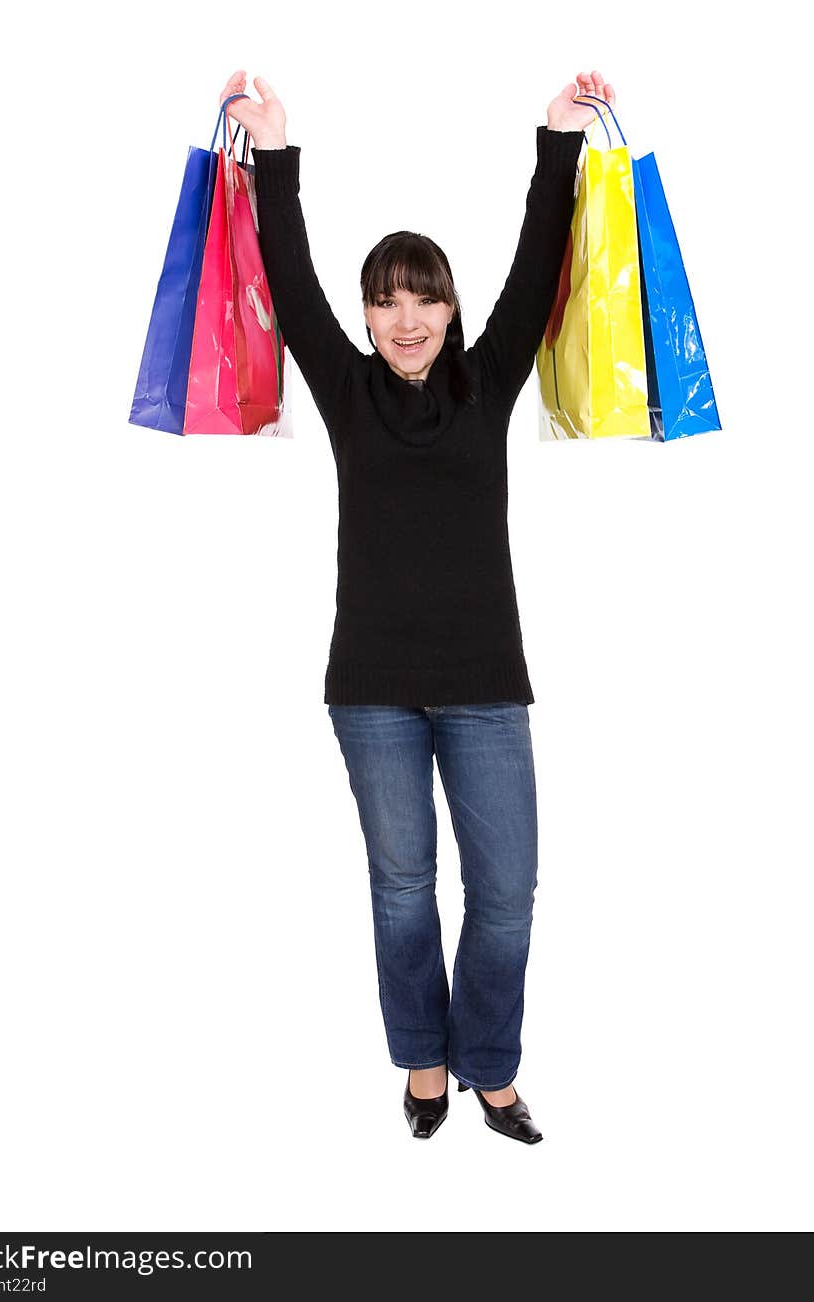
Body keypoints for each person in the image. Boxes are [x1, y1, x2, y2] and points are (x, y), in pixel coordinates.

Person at [219, 69, 615, 1143]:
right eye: (385, 299)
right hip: (373, 694)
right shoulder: (345, 392)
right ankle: (425, 1068)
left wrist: (555, 140)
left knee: (506, 896)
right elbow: (286, 272)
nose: (406, 319)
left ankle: (490, 1066)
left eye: (425, 296)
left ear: (451, 306)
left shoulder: (487, 382)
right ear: (365, 314)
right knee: (402, 893)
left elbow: (540, 267)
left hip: (487, 687)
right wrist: (277, 151)